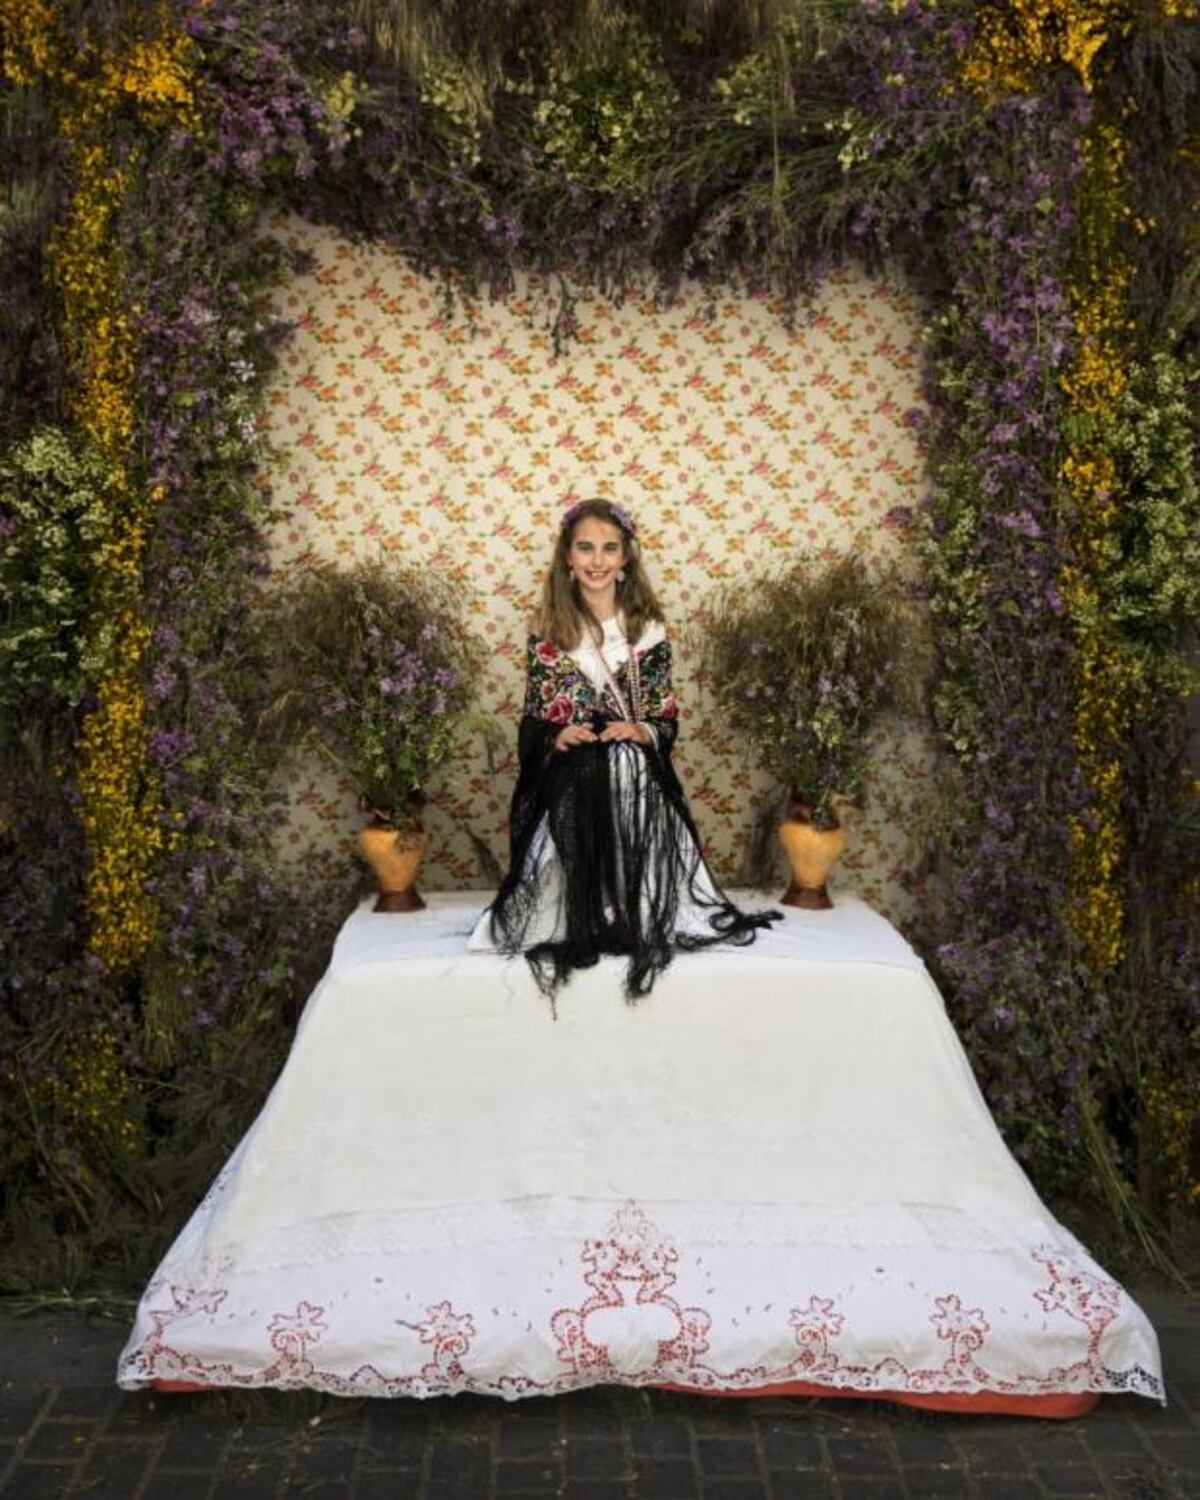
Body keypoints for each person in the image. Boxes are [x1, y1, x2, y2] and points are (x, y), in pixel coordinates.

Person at [469, 497, 780, 999]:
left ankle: (634, 905)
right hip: (573, 767)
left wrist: (640, 731)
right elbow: (535, 720)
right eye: (585, 548)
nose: (597, 560)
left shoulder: (648, 632)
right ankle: (577, 909)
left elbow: (663, 715)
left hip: (628, 765)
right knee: (586, 766)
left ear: (626, 558)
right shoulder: (549, 632)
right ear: (567, 558)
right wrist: (557, 736)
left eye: (609, 549)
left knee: (627, 760)